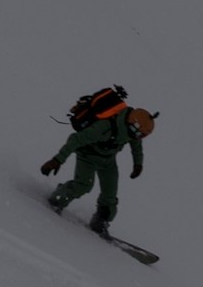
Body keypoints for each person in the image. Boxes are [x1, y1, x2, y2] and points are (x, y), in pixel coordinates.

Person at [40, 86, 145, 232]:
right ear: (132, 125)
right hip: (87, 156)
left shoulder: (131, 130)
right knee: (83, 186)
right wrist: (58, 160)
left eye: (142, 135)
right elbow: (76, 140)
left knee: (110, 195)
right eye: (139, 133)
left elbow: (136, 145)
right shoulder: (104, 127)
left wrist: (138, 164)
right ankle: (57, 199)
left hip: (108, 160)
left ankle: (100, 221)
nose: (139, 137)